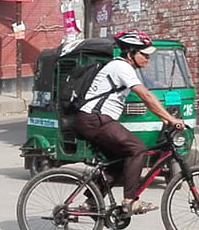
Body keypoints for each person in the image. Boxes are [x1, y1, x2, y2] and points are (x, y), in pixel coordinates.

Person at [72, 30, 184, 216]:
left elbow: (146, 100)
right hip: (94, 120)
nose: (148, 59)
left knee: (120, 161)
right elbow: (146, 96)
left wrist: (164, 118)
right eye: (144, 54)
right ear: (131, 54)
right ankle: (130, 201)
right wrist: (171, 119)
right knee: (137, 149)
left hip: (94, 121)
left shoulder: (124, 68)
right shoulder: (121, 67)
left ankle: (91, 202)